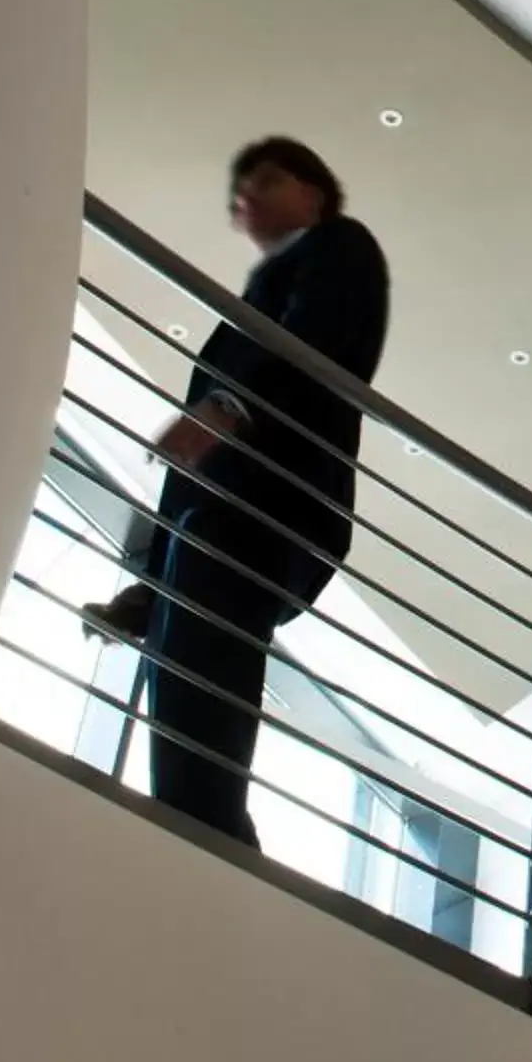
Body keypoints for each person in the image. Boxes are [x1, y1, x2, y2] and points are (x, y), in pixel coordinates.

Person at [84, 138, 390, 844]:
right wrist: (148, 589)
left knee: (202, 690)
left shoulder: (340, 247)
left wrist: (228, 409)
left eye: (268, 180)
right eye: (239, 192)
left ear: (314, 195)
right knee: (189, 677)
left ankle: (207, 846)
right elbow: (200, 466)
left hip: (269, 513)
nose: (245, 198)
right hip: (224, 521)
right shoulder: (258, 296)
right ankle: (203, 842)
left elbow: (317, 341)